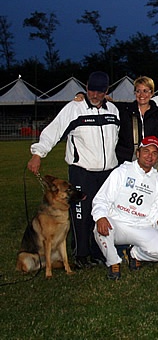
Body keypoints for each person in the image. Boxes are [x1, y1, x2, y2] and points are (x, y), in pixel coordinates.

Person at [27, 71, 119, 268]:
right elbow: (54, 130)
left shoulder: (113, 110)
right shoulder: (74, 108)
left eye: (100, 91)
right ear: (86, 87)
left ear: (107, 91)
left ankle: (98, 252)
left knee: (101, 213)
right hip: (82, 170)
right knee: (82, 213)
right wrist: (38, 153)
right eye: (91, 90)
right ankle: (80, 254)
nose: (94, 95)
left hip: (107, 172)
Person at [92, 136, 158, 280]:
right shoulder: (122, 171)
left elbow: (155, 209)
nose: (150, 156)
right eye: (146, 151)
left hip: (141, 225)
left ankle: (134, 254)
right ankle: (114, 262)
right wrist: (101, 216)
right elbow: (102, 198)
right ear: (138, 153)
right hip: (117, 223)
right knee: (100, 229)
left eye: (154, 153)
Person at [115, 76, 158, 168]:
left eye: (145, 91)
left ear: (152, 93)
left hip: (150, 163)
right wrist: (82, 95)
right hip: (127, 162)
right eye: (138, 91)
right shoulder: (124, 111)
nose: (141, 95)